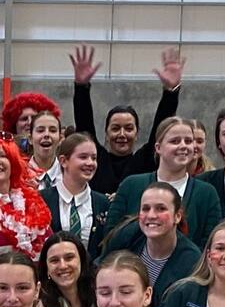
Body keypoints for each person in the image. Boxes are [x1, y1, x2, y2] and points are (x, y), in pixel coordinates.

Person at [69, 44, 184, 196]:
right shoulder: (95, 160)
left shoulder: (145, 160)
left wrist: (170, 93)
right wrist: (81, 87)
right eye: (116, 128)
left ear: (137, 133)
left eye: (129, 128)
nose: (122, 134)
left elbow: (160, 130)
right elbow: (85, 125)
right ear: (106, 133)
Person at [104, 117, 224, 249]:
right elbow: (111, 237)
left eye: (188, 141)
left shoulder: (207, 193)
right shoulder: (131, 185)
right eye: (175, 141)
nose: (183, 146)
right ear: (158, 147)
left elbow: (210, 244)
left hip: (189, 268)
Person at [100, 183, 201, 307]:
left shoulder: (191, 260)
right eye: (146, 209)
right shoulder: (127, 235)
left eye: (161, 208)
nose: (151, 215)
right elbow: (101, 273)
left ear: (177, 216)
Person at [42, 132, 109, 260]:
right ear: (63, 161)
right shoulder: (42, 199)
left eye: (94, 158)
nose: (90, 163)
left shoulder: (103, 202)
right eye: (83, 157)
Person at [37, 230, 98, 307]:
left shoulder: (100, 294)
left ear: (82, 260)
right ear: (46, 268)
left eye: (69, 258)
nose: (63, 266)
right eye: (54, 260)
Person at [25, 109, 64, 185]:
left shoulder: (70, 176)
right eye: (40, 130)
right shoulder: (19, 176)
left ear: (60, 139)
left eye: (52, 130)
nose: (46, 134)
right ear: (30, 139)